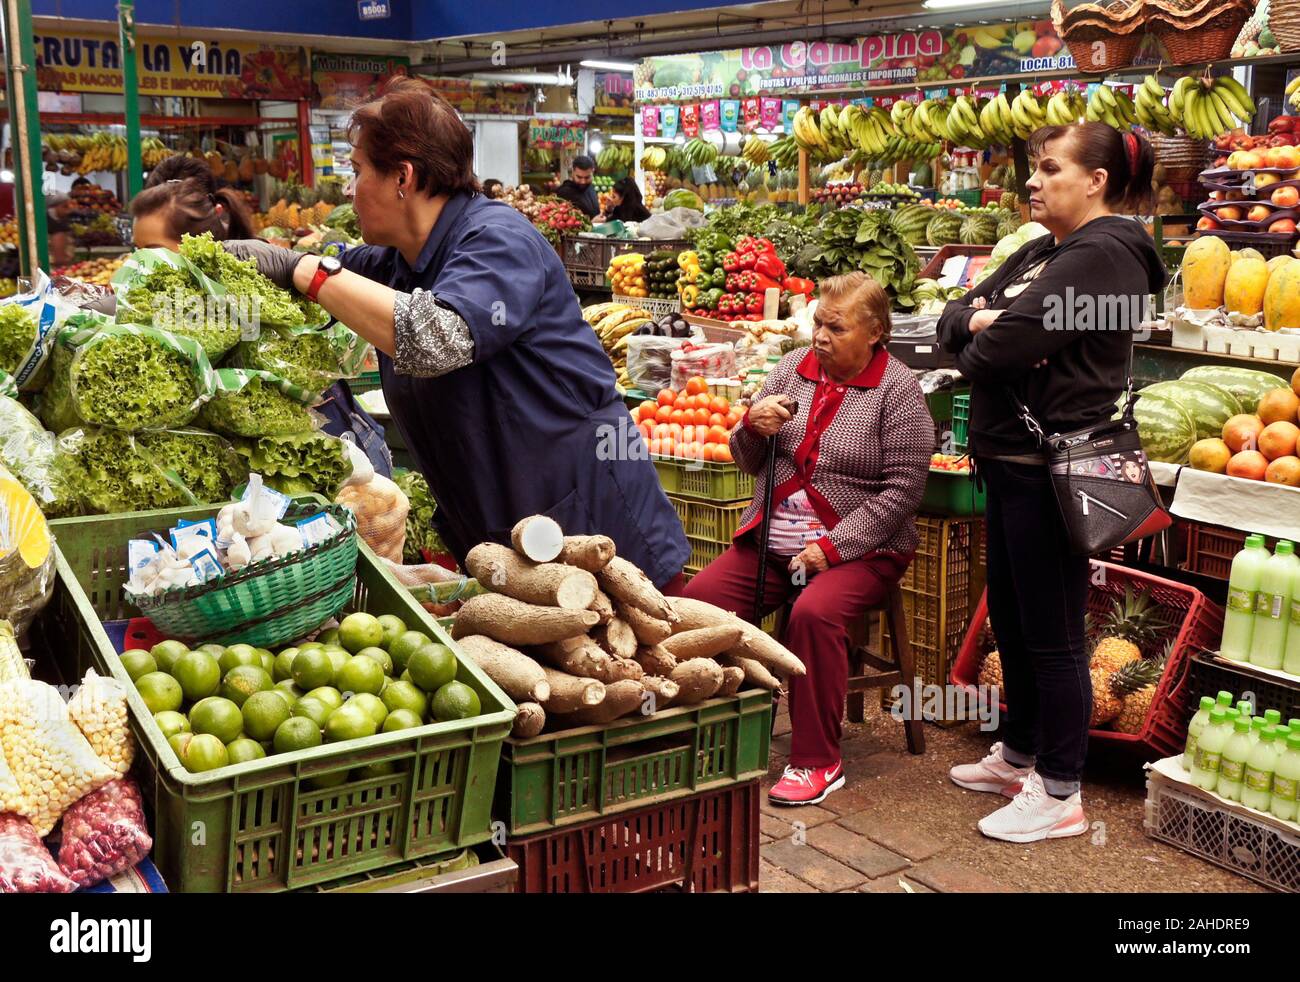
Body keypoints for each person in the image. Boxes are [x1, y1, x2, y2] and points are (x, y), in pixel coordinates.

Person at [223, 78, 688, 585]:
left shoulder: (499, 241)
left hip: (594, 537)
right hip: (507, 541)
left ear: (403, 176)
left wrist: (305, 271)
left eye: (356, 172)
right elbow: (329, 280)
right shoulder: (399, 261)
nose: (348, 190)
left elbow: (433, 339)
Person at [939, 122, 1164, 843]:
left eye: (1048, 168)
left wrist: (990, 329)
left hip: (1052, 471)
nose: (1032, 182)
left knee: (1055, 634)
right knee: (1011, 616)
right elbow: (952, 322)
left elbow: (997, 350)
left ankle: (1061, 789)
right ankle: (1020, 752)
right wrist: (980, 319)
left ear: (1095, 180)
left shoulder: (1104, 255)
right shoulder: (1045, 250)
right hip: (1009, 463)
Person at [678, 272, 933, 806]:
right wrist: (751, 428)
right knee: (693, 606)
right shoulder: (791, 369)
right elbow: (748, 461)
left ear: (875, 333)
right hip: (771, 545)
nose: (820, 335)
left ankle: (818, 760)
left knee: (813, 616)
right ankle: (702, 730)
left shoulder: (899, 391)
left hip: (861, 552)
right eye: (818, 322)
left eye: (836, 327)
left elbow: (904, 493)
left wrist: (831, 549)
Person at [128, 177, 393, 477]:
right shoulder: (185, 312)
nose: (138, 264)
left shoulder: (247, 310)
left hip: (344, 457)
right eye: (135, 251)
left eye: (150, 250)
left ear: (198, 250)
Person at [46, 192, 77, 266]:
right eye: (65, 206)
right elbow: (59, 259)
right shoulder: (54, 226)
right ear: (53, 207)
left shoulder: (61, 220)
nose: (68, 210)